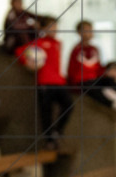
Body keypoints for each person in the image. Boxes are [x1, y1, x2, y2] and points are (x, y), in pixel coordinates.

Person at [16, 17, 73, 150]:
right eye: (50, 26)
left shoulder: (58, 43)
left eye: (55, 26)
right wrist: (28, 63)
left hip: (59, 82)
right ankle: (50, 140)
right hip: (44, 83)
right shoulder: (39, 43)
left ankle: (57, 132)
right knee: (46, 112)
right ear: (43, 29)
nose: (54, 29)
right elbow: (20, 52)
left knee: (68, 105)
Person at [67, 21, 116, 111]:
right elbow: (71, 69)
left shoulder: (94, 49)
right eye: (86, 30)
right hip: (83, 81)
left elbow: (98, 67)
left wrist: (107, 74)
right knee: (93, 89)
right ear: (79, 33)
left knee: (109, 81)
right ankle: (112, 105)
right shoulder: (76, 50)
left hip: (94, 79)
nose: (90, 33)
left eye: (91, 30)